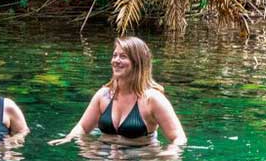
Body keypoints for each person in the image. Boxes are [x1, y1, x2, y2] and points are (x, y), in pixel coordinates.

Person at [48, 37, 186, 148]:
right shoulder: (103, 95)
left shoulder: (153, 99)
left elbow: (179, 138)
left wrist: (165, 158)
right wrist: (68, 139)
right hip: (104, 158)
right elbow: (83, 127)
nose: (116, 61)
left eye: (123, 56)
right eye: (115, 55)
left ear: (137, 62)